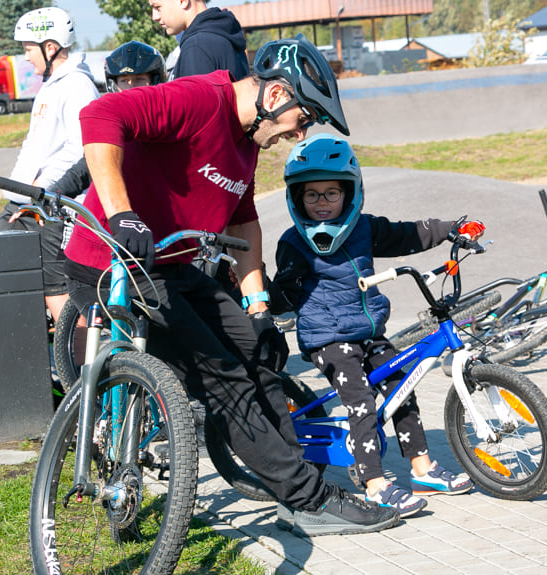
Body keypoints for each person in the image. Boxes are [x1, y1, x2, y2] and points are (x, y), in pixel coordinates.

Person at [63, 34, 399, 537]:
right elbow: (101, 115)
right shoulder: (200, 99)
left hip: (170, 265)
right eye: (302, 119)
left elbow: (243, 221)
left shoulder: (246, 142)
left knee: (259, 355)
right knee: (226, 378)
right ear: (277, 96)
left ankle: (296, 485)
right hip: (113, 261)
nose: (298, 133)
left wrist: (259, 306)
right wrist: (122, 214)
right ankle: (307, 500)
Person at [268, 134, 480, 517]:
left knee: (403, 385)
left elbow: (409, 233)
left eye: (331, 194)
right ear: (297, 198)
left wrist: (453, 229)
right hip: (328, 339)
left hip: (367, 333)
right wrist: (272, 305)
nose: (321, 203)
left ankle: (423, 469)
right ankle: (376, 485)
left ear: (349, 194)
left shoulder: (364, 228)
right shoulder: (293, 242)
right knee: (361, 401)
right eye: (311, 195)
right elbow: (283, 289)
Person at [0, 7, 99, 323]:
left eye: (28, 49)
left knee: (57, 291)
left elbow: (82, 153)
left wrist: (45, 193)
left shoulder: (77, 86)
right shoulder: (52, 84)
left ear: (49, 48)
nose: (25, 57)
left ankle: (78, 370)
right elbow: (37, 145)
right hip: (26, 202)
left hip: (52, 207)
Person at [51, 41, 167, 199]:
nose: (131, 88)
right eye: (124, 81)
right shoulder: (113, 127)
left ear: (154, 81)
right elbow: (85, 169)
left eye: (140, 79)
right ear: (114, 85)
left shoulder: (167, 123)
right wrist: (51, 195)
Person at [149, 0, 249, 81]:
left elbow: (195, 105)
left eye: (157, 7)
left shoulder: (196, 47)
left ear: (182, 1)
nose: (154, 17)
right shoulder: (225, 34)